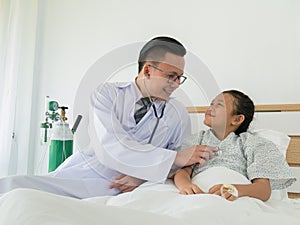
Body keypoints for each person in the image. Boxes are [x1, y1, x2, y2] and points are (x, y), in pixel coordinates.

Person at [0, 36, 214, 199]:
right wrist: (174, 158)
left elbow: (180, 160)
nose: (176, 84)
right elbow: (110, 144)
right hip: (86, 173)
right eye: (171, 76)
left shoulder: (177, 112)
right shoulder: (107, 94)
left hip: (129, 187)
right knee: (13, 187)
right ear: (148, 70)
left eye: (180, 78)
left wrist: (142, 176)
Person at [173, 90, 296, 201]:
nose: (210, 108)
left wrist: (234, 190)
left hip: (235, 196)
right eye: (211, 103)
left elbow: (263, 190)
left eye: (219, 105)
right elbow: (183, 171)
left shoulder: (253, 144)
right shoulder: (198, 139)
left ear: (237, 119)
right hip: (199, 193)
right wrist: (186, 185)